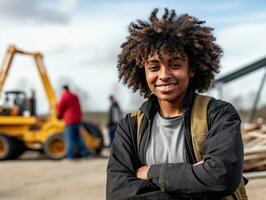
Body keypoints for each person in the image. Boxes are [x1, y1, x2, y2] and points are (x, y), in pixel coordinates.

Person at [106, 8, 245, 200]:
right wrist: (193, 176)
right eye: (154, 67)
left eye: (175, 65)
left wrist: (151, 173)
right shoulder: (130, 126)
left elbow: (221, 177)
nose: (164, 75)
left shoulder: (219, 114)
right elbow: (117, 191)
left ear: (192, 69)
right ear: (143, 73)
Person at [57, 85, 90, 160]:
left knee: (69, 139)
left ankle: (70, 156)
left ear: (64, 90)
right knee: (78, 138)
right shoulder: (75, 96)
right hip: (77, 120)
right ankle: (86, 154)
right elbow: (79, 107)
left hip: (69, 121)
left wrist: (58, 116)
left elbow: (60, 108)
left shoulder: (65, 96)